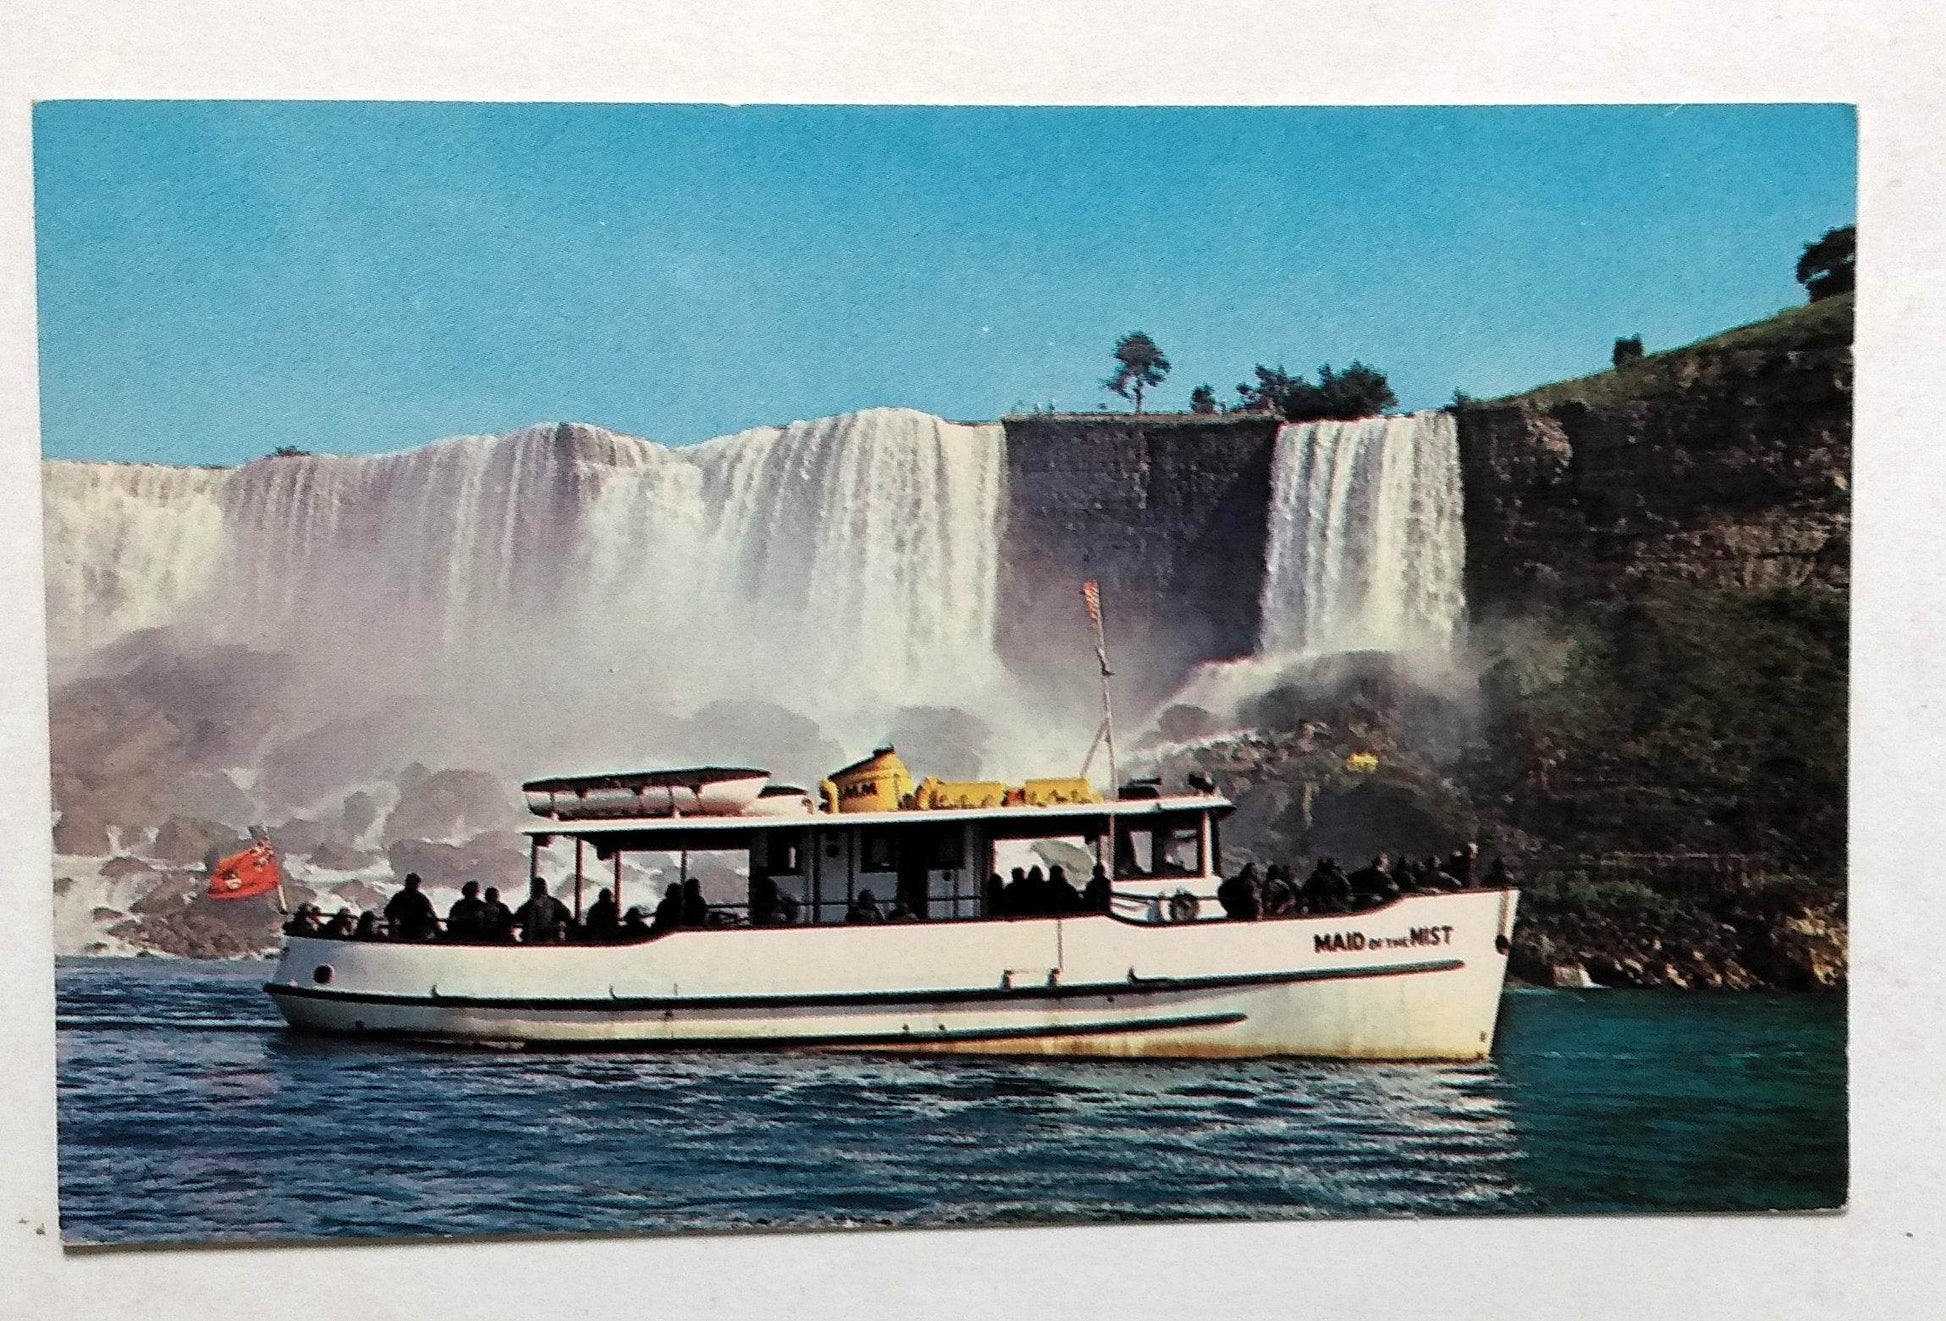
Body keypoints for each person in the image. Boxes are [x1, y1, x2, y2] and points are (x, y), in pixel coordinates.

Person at [512, 876, 571, 943]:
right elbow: (516, 918)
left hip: (548, 938)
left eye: (541, 887)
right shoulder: (529, 905)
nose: (540, 890)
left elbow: (567, 917)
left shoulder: (553, 904)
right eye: (538, 887)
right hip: (536, 939)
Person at [384, 873, 440, 941]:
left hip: (416, 930)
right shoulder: (400, 897)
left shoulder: (419, 898)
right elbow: (388, 912)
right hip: (406, 929)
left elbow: (432, 914)